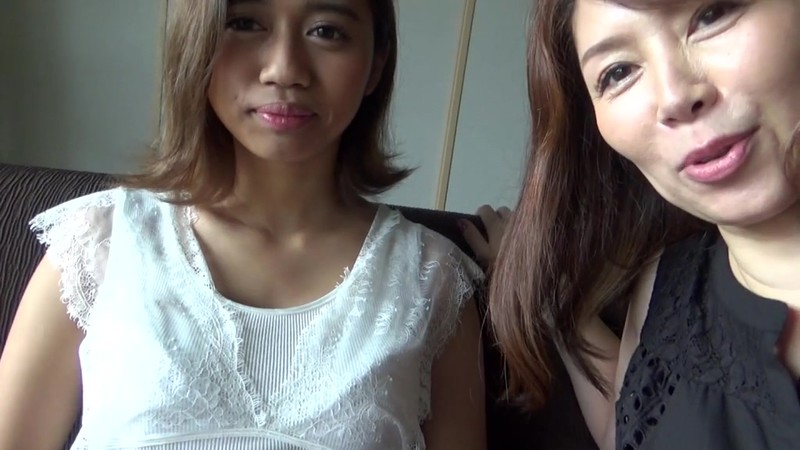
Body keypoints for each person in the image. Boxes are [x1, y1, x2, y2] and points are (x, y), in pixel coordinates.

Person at [0, 1, 486, 449]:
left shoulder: (432, 281)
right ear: (197, 43)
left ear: (377, 62)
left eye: (326, 31)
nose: (284, 69)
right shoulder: (100, 244)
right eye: (245, 23)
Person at [470, 0, 800, 449]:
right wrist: (553, 300)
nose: (675, 97)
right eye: (618, 73)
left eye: (712, 14)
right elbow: (626, 431)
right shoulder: (665, 282)